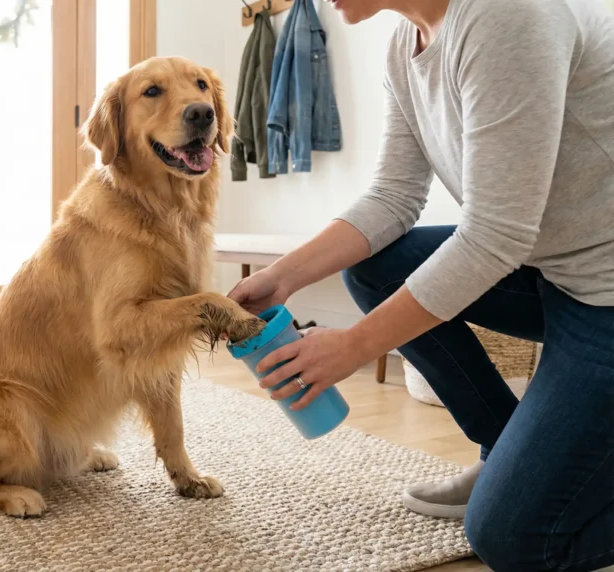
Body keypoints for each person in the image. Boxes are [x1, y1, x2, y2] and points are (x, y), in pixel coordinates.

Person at [228, 0, 614, 570]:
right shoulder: (406, 46)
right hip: (555, 273)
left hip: (604, 293)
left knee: (517, 539)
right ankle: (503, 445)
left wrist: (357, 344)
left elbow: (494, 236)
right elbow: (393, 197)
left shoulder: (509, 15)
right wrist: (284, 276)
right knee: (376, 268)